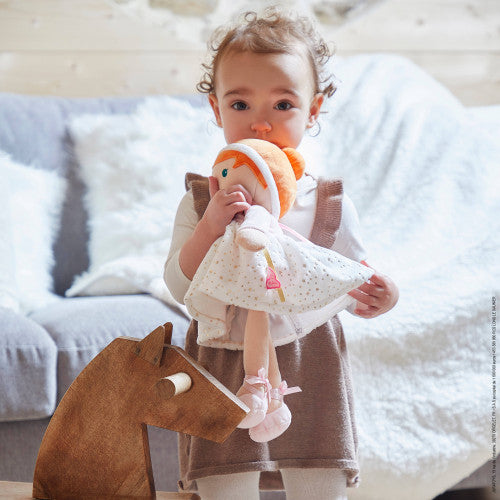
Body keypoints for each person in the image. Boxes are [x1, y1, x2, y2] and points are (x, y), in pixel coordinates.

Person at [164, 8, 399, 500]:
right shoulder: (202, 199)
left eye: (283, 104)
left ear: (313, 111)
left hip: (306, 351)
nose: (262, 123)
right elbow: (181, 285)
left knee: (318, 471)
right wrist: (212, 225)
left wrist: (380, 295)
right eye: (241, 104)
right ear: (215, 110)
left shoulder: (326, 202)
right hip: (222, 352)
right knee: (225, 477)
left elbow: (349, 279)